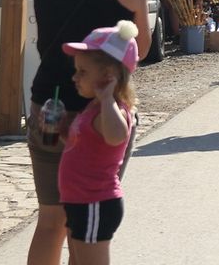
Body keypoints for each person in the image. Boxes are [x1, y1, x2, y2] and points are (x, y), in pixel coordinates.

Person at [27, 0, 151, 265]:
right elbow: (140, 49)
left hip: (48, 103)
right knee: (85, 222)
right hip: (100, 114)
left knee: (51, 220)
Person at [57, 20, 138, 261]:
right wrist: (63, 130)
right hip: (80, 201)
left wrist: (107, 99)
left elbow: (117, 136)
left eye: (83, 71)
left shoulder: (111, 110)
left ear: (108, 76)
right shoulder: (93, 108)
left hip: (96, 202)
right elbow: (86, 148)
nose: (75, 77)